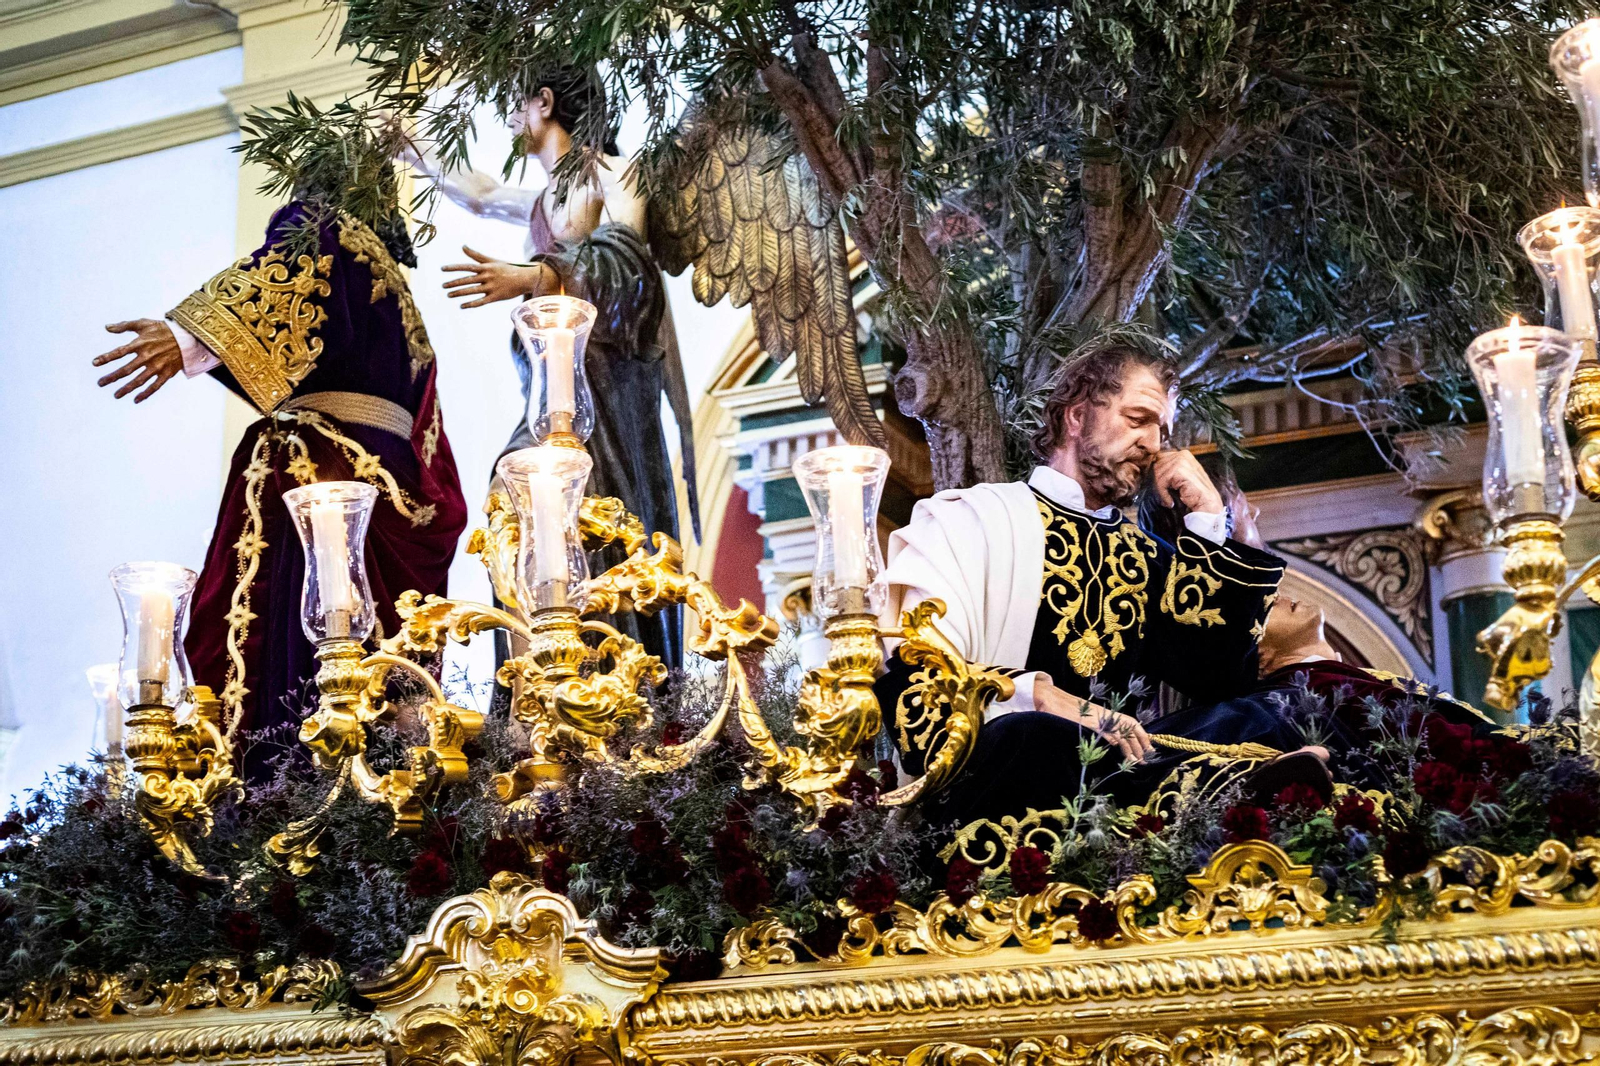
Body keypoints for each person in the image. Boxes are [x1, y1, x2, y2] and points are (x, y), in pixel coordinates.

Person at [93, 198, 468, 780]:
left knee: (297, 644)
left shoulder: (326, 221)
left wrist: (185, 339)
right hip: (383, 481)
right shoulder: (400, 302)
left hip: (326, 473)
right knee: (377, 668)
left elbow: (291, 274)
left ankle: (276, 788)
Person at [875, 342, 1294, 829]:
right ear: (1076, 416)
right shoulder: (970, 520)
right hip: (1006, 773)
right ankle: (1211, 786)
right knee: (1035, 736)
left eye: (1162, 430)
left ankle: (1217, 784)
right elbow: (919, 687)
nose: (1155, 444)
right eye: (1139, 418)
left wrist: (1207, 521)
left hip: (1121, 771)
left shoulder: (1148, 559)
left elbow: (1218, 679)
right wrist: (1039, 696)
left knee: (1265, 714)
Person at [401, 66, 693, 667]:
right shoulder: (543, 197)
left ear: (545, 101)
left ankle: (612, 664)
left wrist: (536, 276)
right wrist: (418, 150)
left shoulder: (614, 175)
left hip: (606, 388)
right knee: (515, 492)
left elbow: (631, 268)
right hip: (551, 389)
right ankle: (536, 668)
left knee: (596, 511)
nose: (510, 121)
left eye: (514, 104)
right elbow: (477, 192)